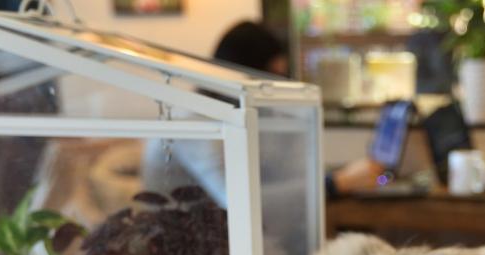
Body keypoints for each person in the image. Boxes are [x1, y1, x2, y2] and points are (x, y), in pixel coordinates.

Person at [141, 21, 383, 204]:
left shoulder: (245, 116)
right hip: (183, 245)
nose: (274, 88)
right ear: (244, 74)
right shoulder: (192, 122)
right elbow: (236, 200)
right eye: (269, 77)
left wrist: (332, 178)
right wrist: (335, 183)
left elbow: (282, 174)